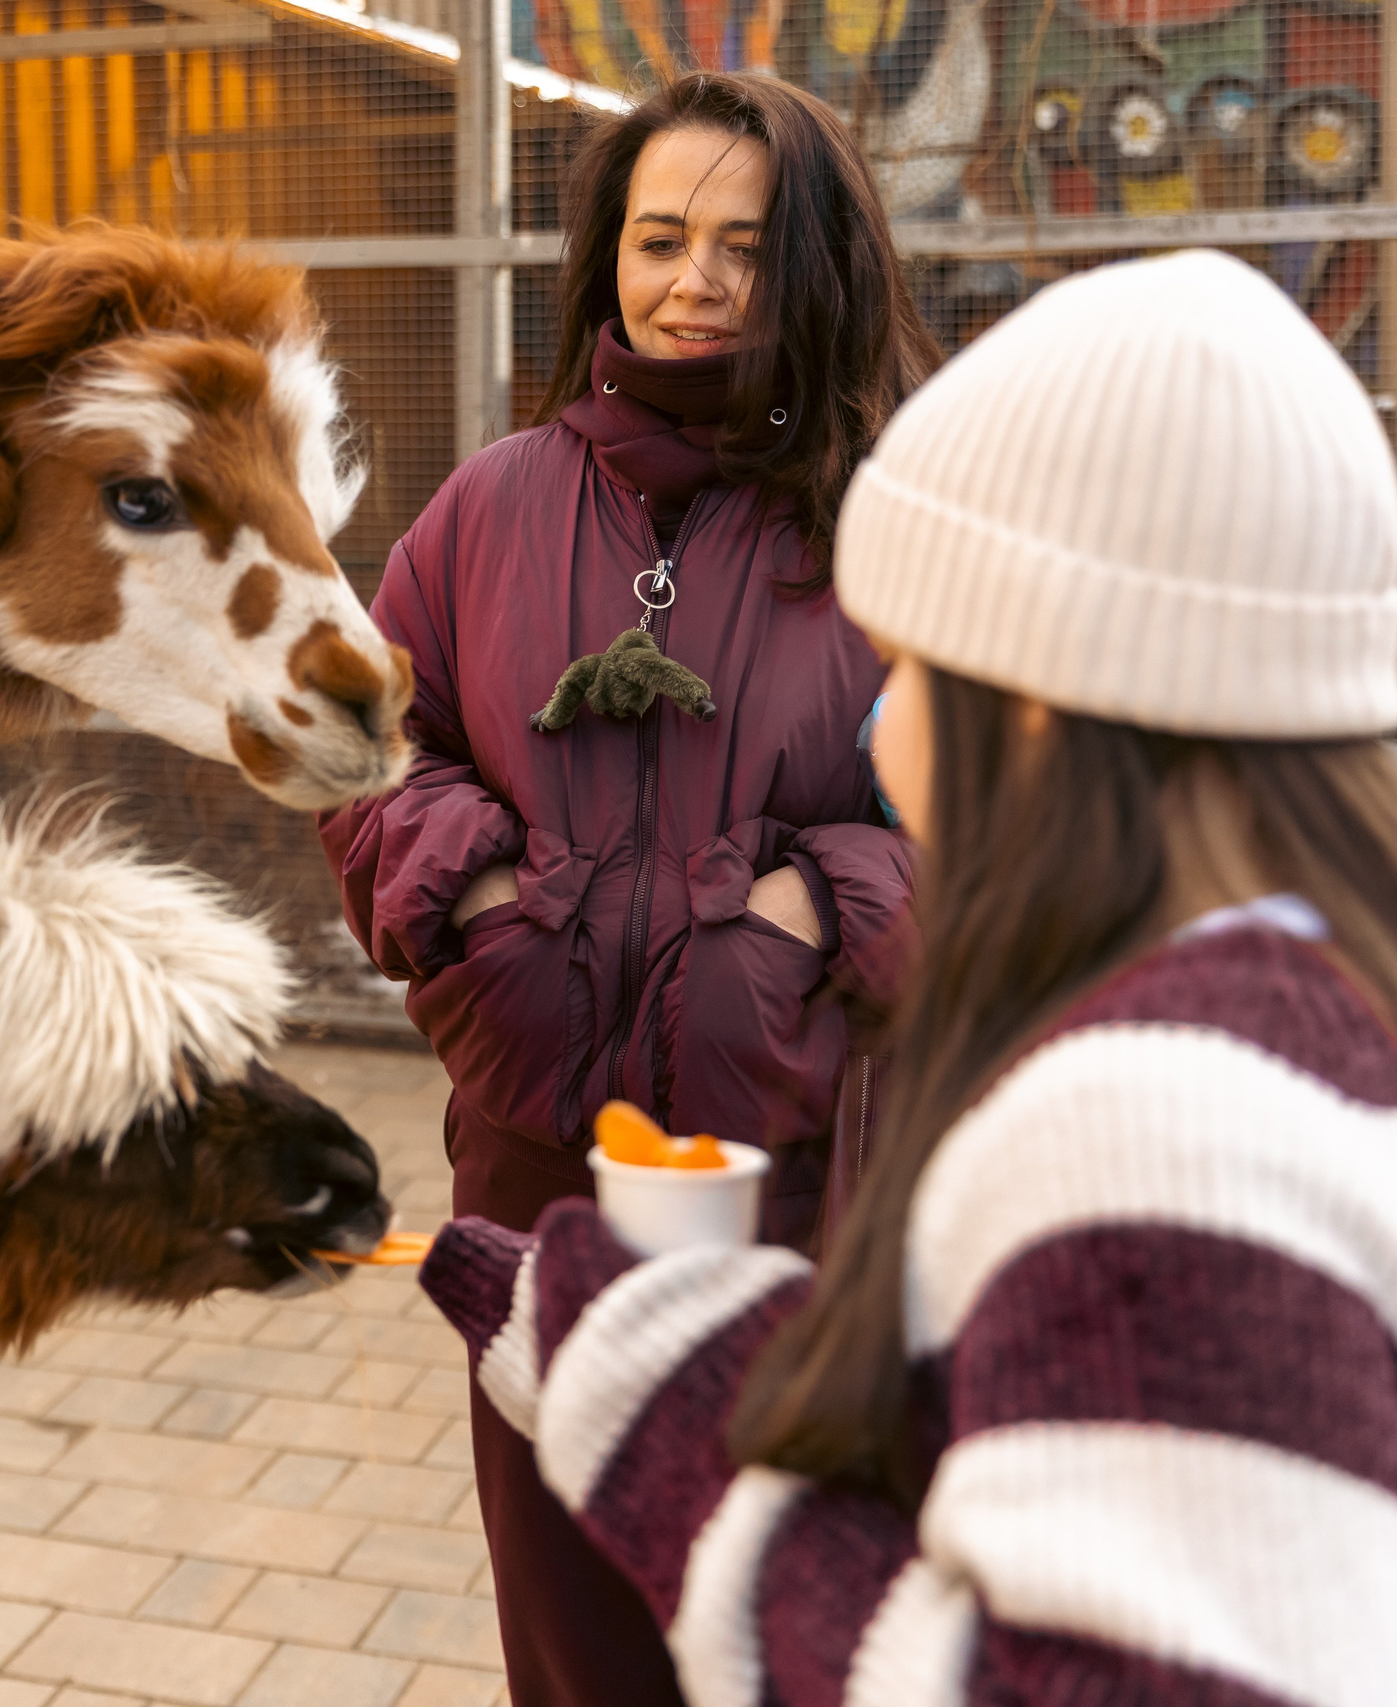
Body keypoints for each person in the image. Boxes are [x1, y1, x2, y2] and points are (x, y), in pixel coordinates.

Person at [419, 249, 1397, 1703]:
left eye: (916, 667)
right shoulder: (1315, 1023)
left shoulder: (1165, 1116)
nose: (884, 721)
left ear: (1047, 700)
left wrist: (668, 1422)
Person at [318, 73, 934, 1706]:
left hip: (800, 1177)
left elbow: (1010, 824)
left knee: (787, 1628)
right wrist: (483, 903)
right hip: (537, 1174)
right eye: (661, 239)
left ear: (814, 266)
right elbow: (370, 751)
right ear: (607, 262)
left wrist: (818, 906)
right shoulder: (490, 508)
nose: (697, 282)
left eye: (744, 244)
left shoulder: (899, 522)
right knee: (576, 1634)